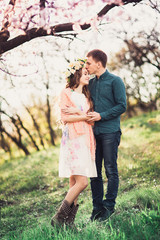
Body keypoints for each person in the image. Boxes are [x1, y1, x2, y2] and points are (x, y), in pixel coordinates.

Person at [51, 59, 97, 228]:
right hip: (73, 139)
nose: (88, 76)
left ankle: (68, 223)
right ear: (76, 74)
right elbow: (65, 118)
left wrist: (79, 113)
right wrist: (84, 116)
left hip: (86, 139)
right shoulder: (66, 93)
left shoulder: (86, 96)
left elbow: (91, 120)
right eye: (85, 73)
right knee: (82, 182)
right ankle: (58, 217)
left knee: (74, 182)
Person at [85, 49, 127, 222]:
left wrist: (101, 115)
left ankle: (109, 207)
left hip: (110, 131)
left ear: (98, 63)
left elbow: (122, 105)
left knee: (111, 170)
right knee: (94, 172)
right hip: (93, 134)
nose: (86, 66)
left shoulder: (115, 81)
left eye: (88, 63)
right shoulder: (90, 83)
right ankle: (97, 209)